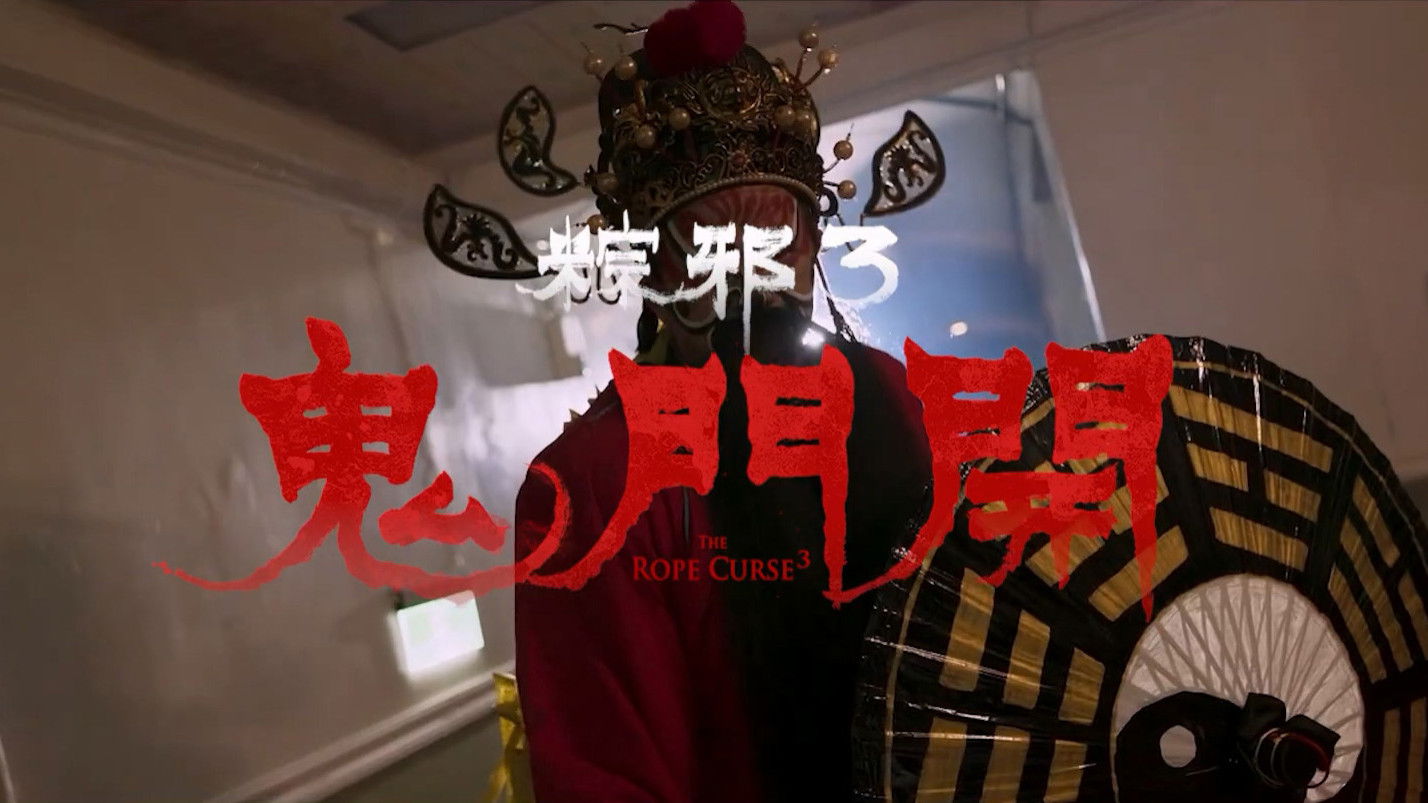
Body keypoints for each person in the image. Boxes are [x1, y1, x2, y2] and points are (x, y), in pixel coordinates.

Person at [513, 3, 932, 800]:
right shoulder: (596, 481)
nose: (754, 289)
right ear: (655, 272)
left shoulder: (895, 394)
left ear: (813, 245)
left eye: (776, 248)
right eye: (715, 254)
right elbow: (609, 774)